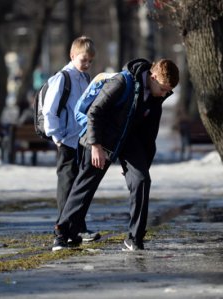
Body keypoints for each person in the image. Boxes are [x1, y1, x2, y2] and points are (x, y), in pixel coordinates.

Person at [52, 58, 179, 251]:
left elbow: (149, 135)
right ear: (153, 77)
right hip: (102, 137)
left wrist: (141, 165)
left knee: (142, 180)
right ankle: (62, 234)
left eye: (167, 91)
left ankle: (135, 238)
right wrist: (95, 146)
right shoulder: (122, 82)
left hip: (129, 140)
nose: (164, 94)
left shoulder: (157, 96)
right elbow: (95, 112)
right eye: (162, 89)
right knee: (85, 185)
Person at [42, 36, 100, 244]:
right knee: (67, 185)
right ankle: (62, 228)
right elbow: (49, 110)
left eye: (90, 61)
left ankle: (78, 227)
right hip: (66, 140)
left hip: (82, 140)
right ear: (72, 55)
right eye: (84, 59)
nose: (87, 64)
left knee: (79, 185)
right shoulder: (63, 78)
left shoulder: (85, 78)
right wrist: (57, 136)